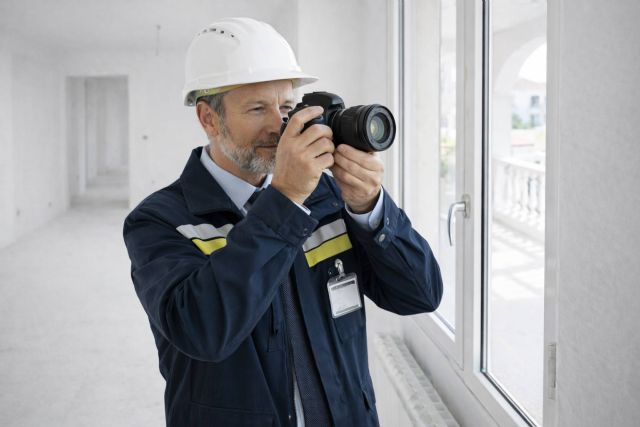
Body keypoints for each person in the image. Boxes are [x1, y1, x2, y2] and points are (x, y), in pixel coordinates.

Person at [123, 17, 443, 427]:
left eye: (287, 107)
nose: (280, 125)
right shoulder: (159, 221)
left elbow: (421, 295)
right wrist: (285, 199)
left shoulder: (327, 197)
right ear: (208, 119)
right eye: (258, 109)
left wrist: (370, 209)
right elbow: (203, 330)